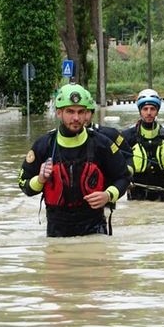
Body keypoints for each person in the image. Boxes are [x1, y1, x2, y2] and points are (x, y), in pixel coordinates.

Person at [18, 84, 130, 237]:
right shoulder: (44, 145)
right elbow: (23, 183)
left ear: (86, 114)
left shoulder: (102, 144)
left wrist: (108, 195)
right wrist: (40, 179)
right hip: (57, 231)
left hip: (94, 228)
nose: (76, 118)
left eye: (81, 112)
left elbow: (124, 177)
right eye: (70, 111)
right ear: (59, 113)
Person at [82, 90, 134, 175]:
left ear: (92, 113)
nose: (81, 117)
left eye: (86, 112)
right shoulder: (54, 139)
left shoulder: (111, 134)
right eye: (77, 111)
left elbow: (129, 155)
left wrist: (127, 174)